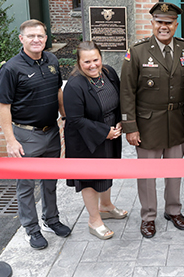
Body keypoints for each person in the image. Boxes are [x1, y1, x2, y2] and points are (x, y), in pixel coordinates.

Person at [120, 2, 184, 239]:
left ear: (176, 24)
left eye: (168, 23)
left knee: (175, 171)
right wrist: (130, 127)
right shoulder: (138, 51)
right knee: (148, 174)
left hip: (176, 121)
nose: (164, 27)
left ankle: (173, 211)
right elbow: (127, 92)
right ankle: (148, 216)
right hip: (147, 123)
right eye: (159, 22)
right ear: (152, 23)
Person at [0, 19, 71, 250]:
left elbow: (58, 90)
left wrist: (65, 118)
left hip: (51, 133)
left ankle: (51, 220)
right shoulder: (11, 68)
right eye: (31, 36)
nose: (36, 40)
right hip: (25, 136)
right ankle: (31, 229)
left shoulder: (52, 60)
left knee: (50, 181)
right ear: (21, 39)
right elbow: (3, 107)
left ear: (46, 38)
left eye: (40, 36)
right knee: (26, 185)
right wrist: (11, 140)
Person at [64, 41, 127, 240]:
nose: (93, 65)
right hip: (85, 139)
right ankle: (94, 219)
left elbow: (118, 101)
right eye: (87, 61)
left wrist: (119, 122)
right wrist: (103, 132)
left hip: (109, 132)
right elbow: (75, 119)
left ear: (101, 58)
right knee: (90, 179)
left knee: (107, 171)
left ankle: (106, 207)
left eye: (96, 59)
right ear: (79, 62)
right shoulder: (75, 84)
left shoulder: (108, 73)